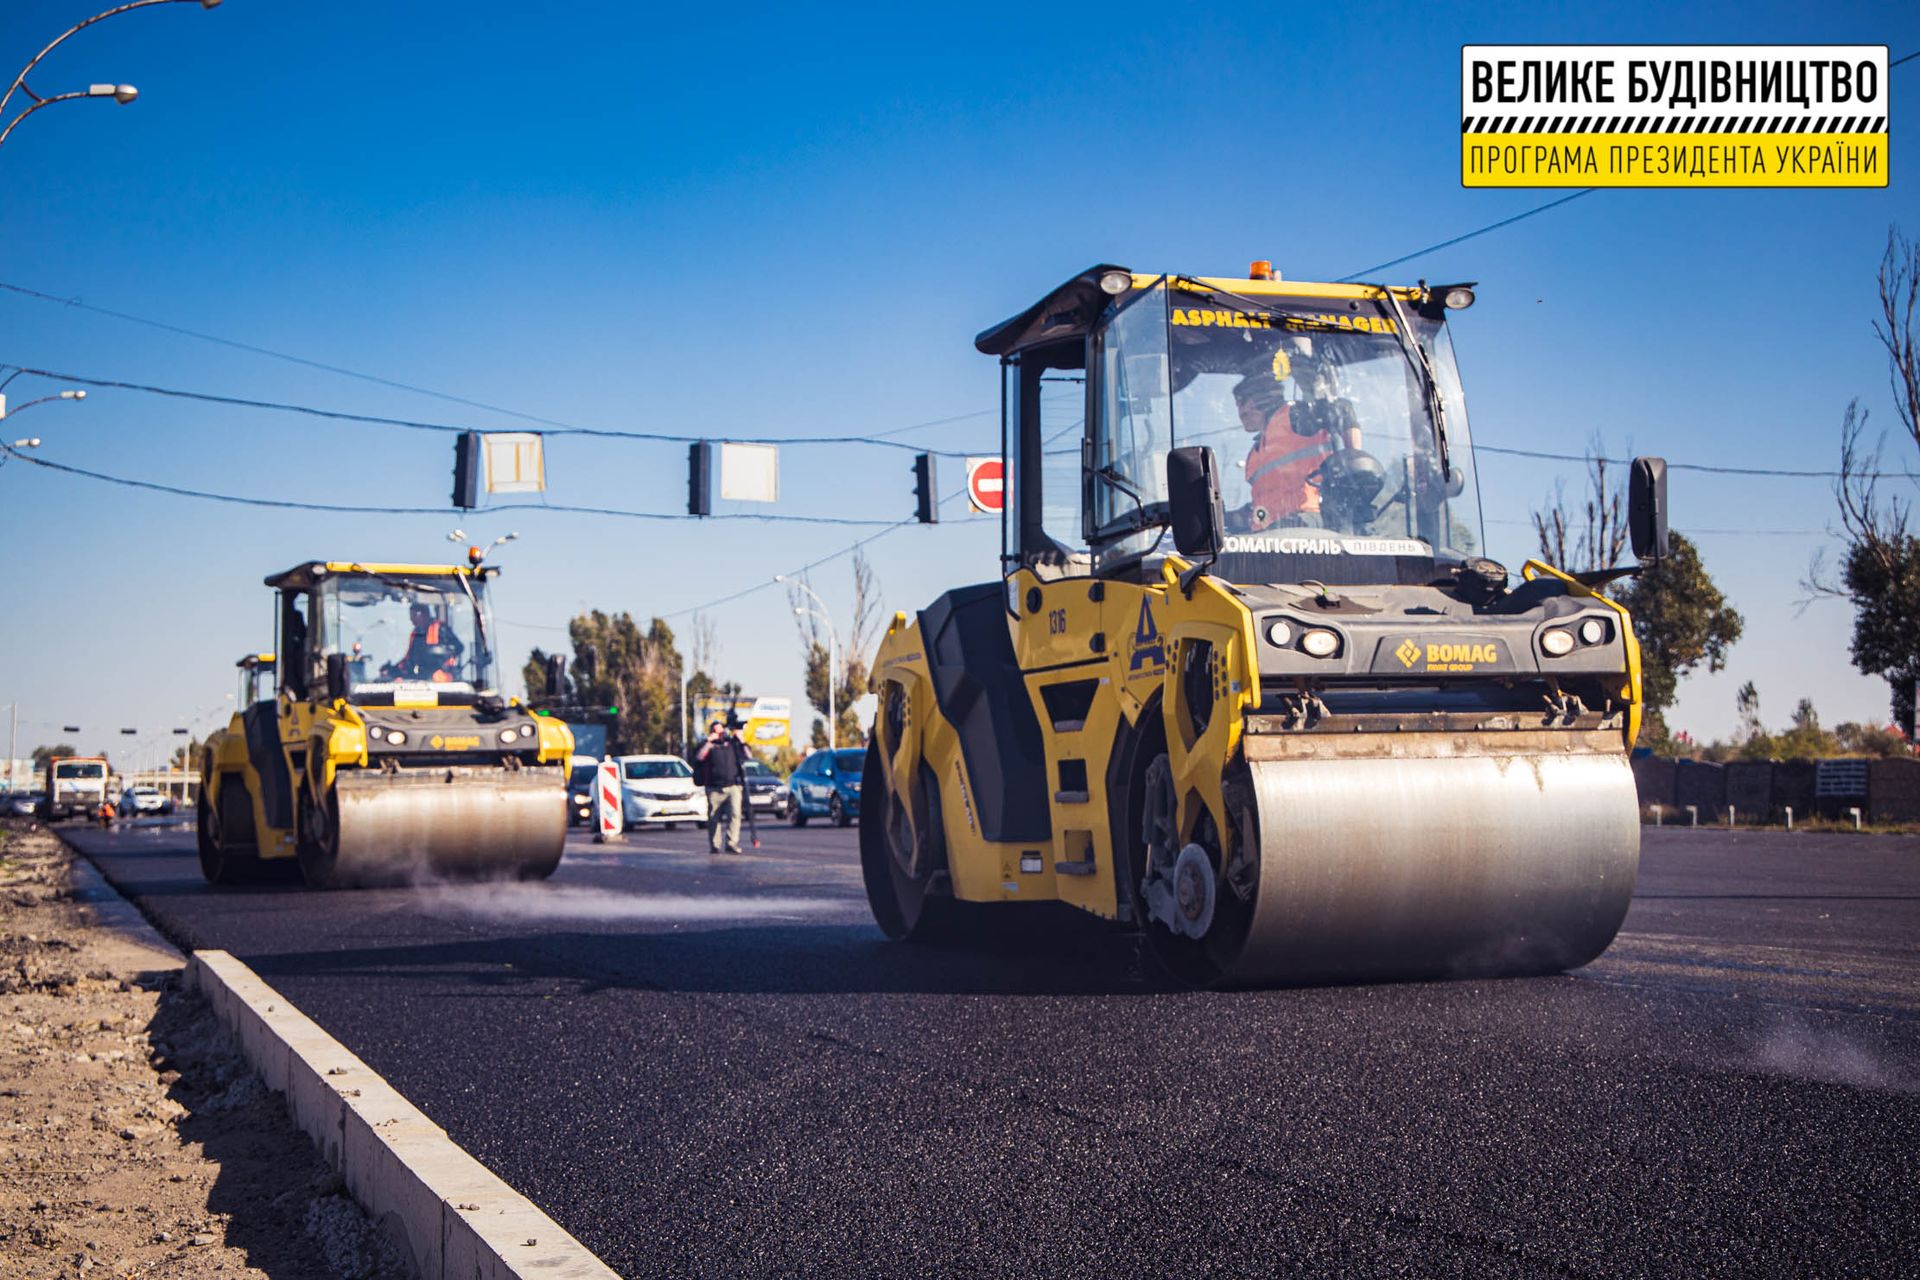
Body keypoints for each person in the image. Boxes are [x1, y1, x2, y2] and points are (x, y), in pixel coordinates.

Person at [695, 719, 749, 855]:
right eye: (715, 731)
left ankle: (731, 843)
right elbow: (699, 757)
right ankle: (714, 844)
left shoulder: (732, 744)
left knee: (735, 815)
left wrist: (741, 739)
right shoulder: (707, 745)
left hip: (733, 786)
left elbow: (748, 756)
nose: (719, 734)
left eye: (721, 730)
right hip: (714, 788)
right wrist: (709, 741)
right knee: (714, 817)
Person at [385, 602, 463, 682]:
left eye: (414, 616)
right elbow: (409, 659)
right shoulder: (416, 634)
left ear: (423, 615)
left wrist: (445, 667)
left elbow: (459, 647)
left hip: (441, 676)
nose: (411, 619)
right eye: (411, 616)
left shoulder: (440, 628)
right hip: (423, 676)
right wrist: (393, 671)